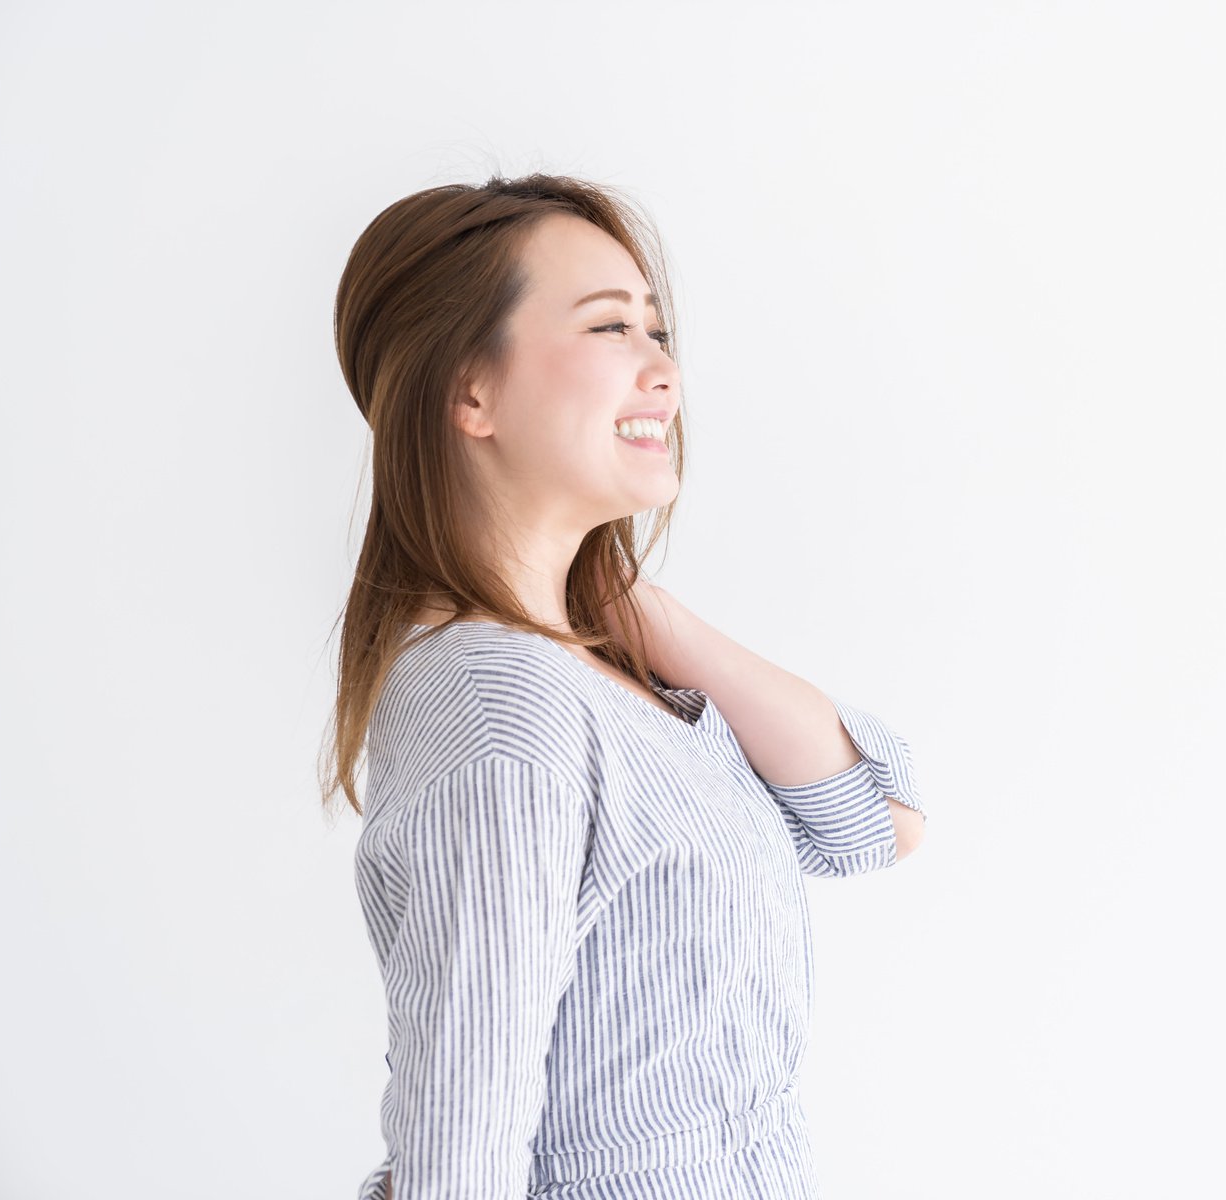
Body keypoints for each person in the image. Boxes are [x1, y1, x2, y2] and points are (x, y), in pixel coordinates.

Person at [320, 174, 929, 1200]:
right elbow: (459, 1159)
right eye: (612, 329)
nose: (664, 371)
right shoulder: (502, 706)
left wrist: (632, 606)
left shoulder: (596, 668)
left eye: (659, 330)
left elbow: (876, 817)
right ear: (471, 392)